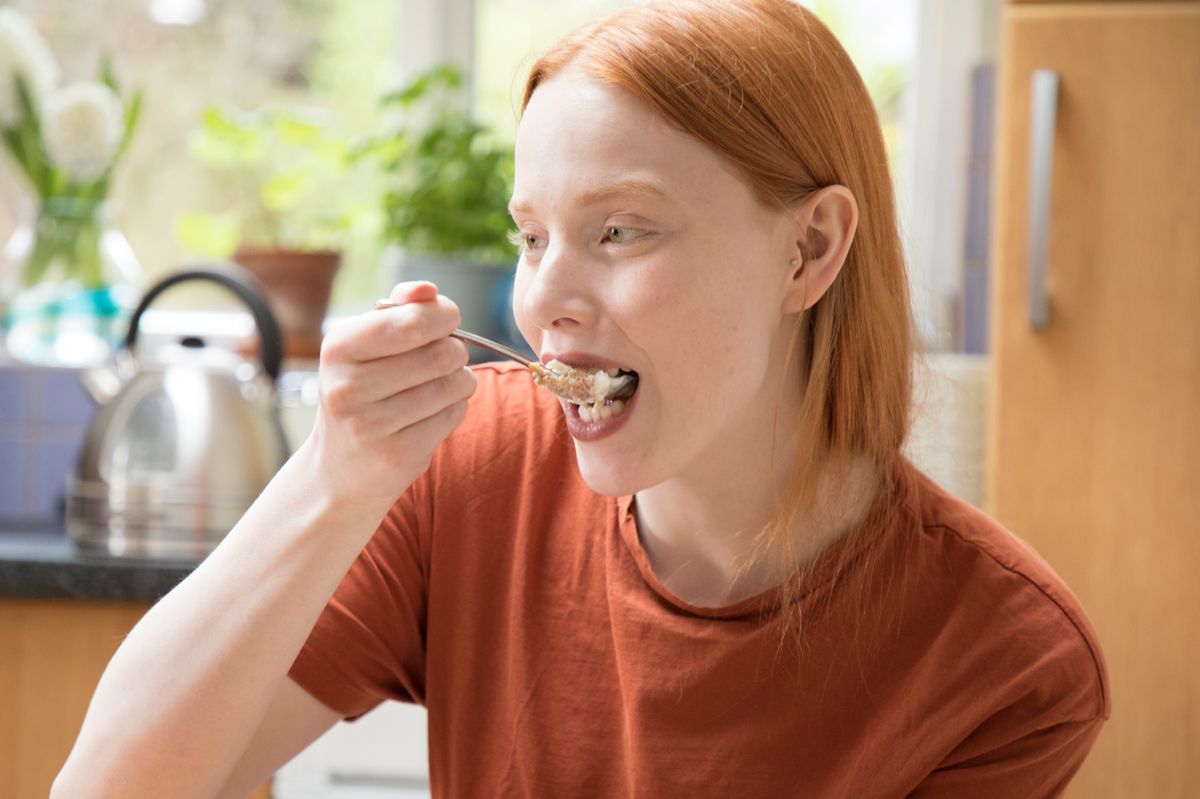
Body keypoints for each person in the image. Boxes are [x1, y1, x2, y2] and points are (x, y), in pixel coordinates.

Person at [53, 0, 1109, 796]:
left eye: (620, 230)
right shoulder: (468, 470)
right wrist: (332, 478)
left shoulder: (1006, 662)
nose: (543, 298)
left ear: (809, 249)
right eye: (530, 236)